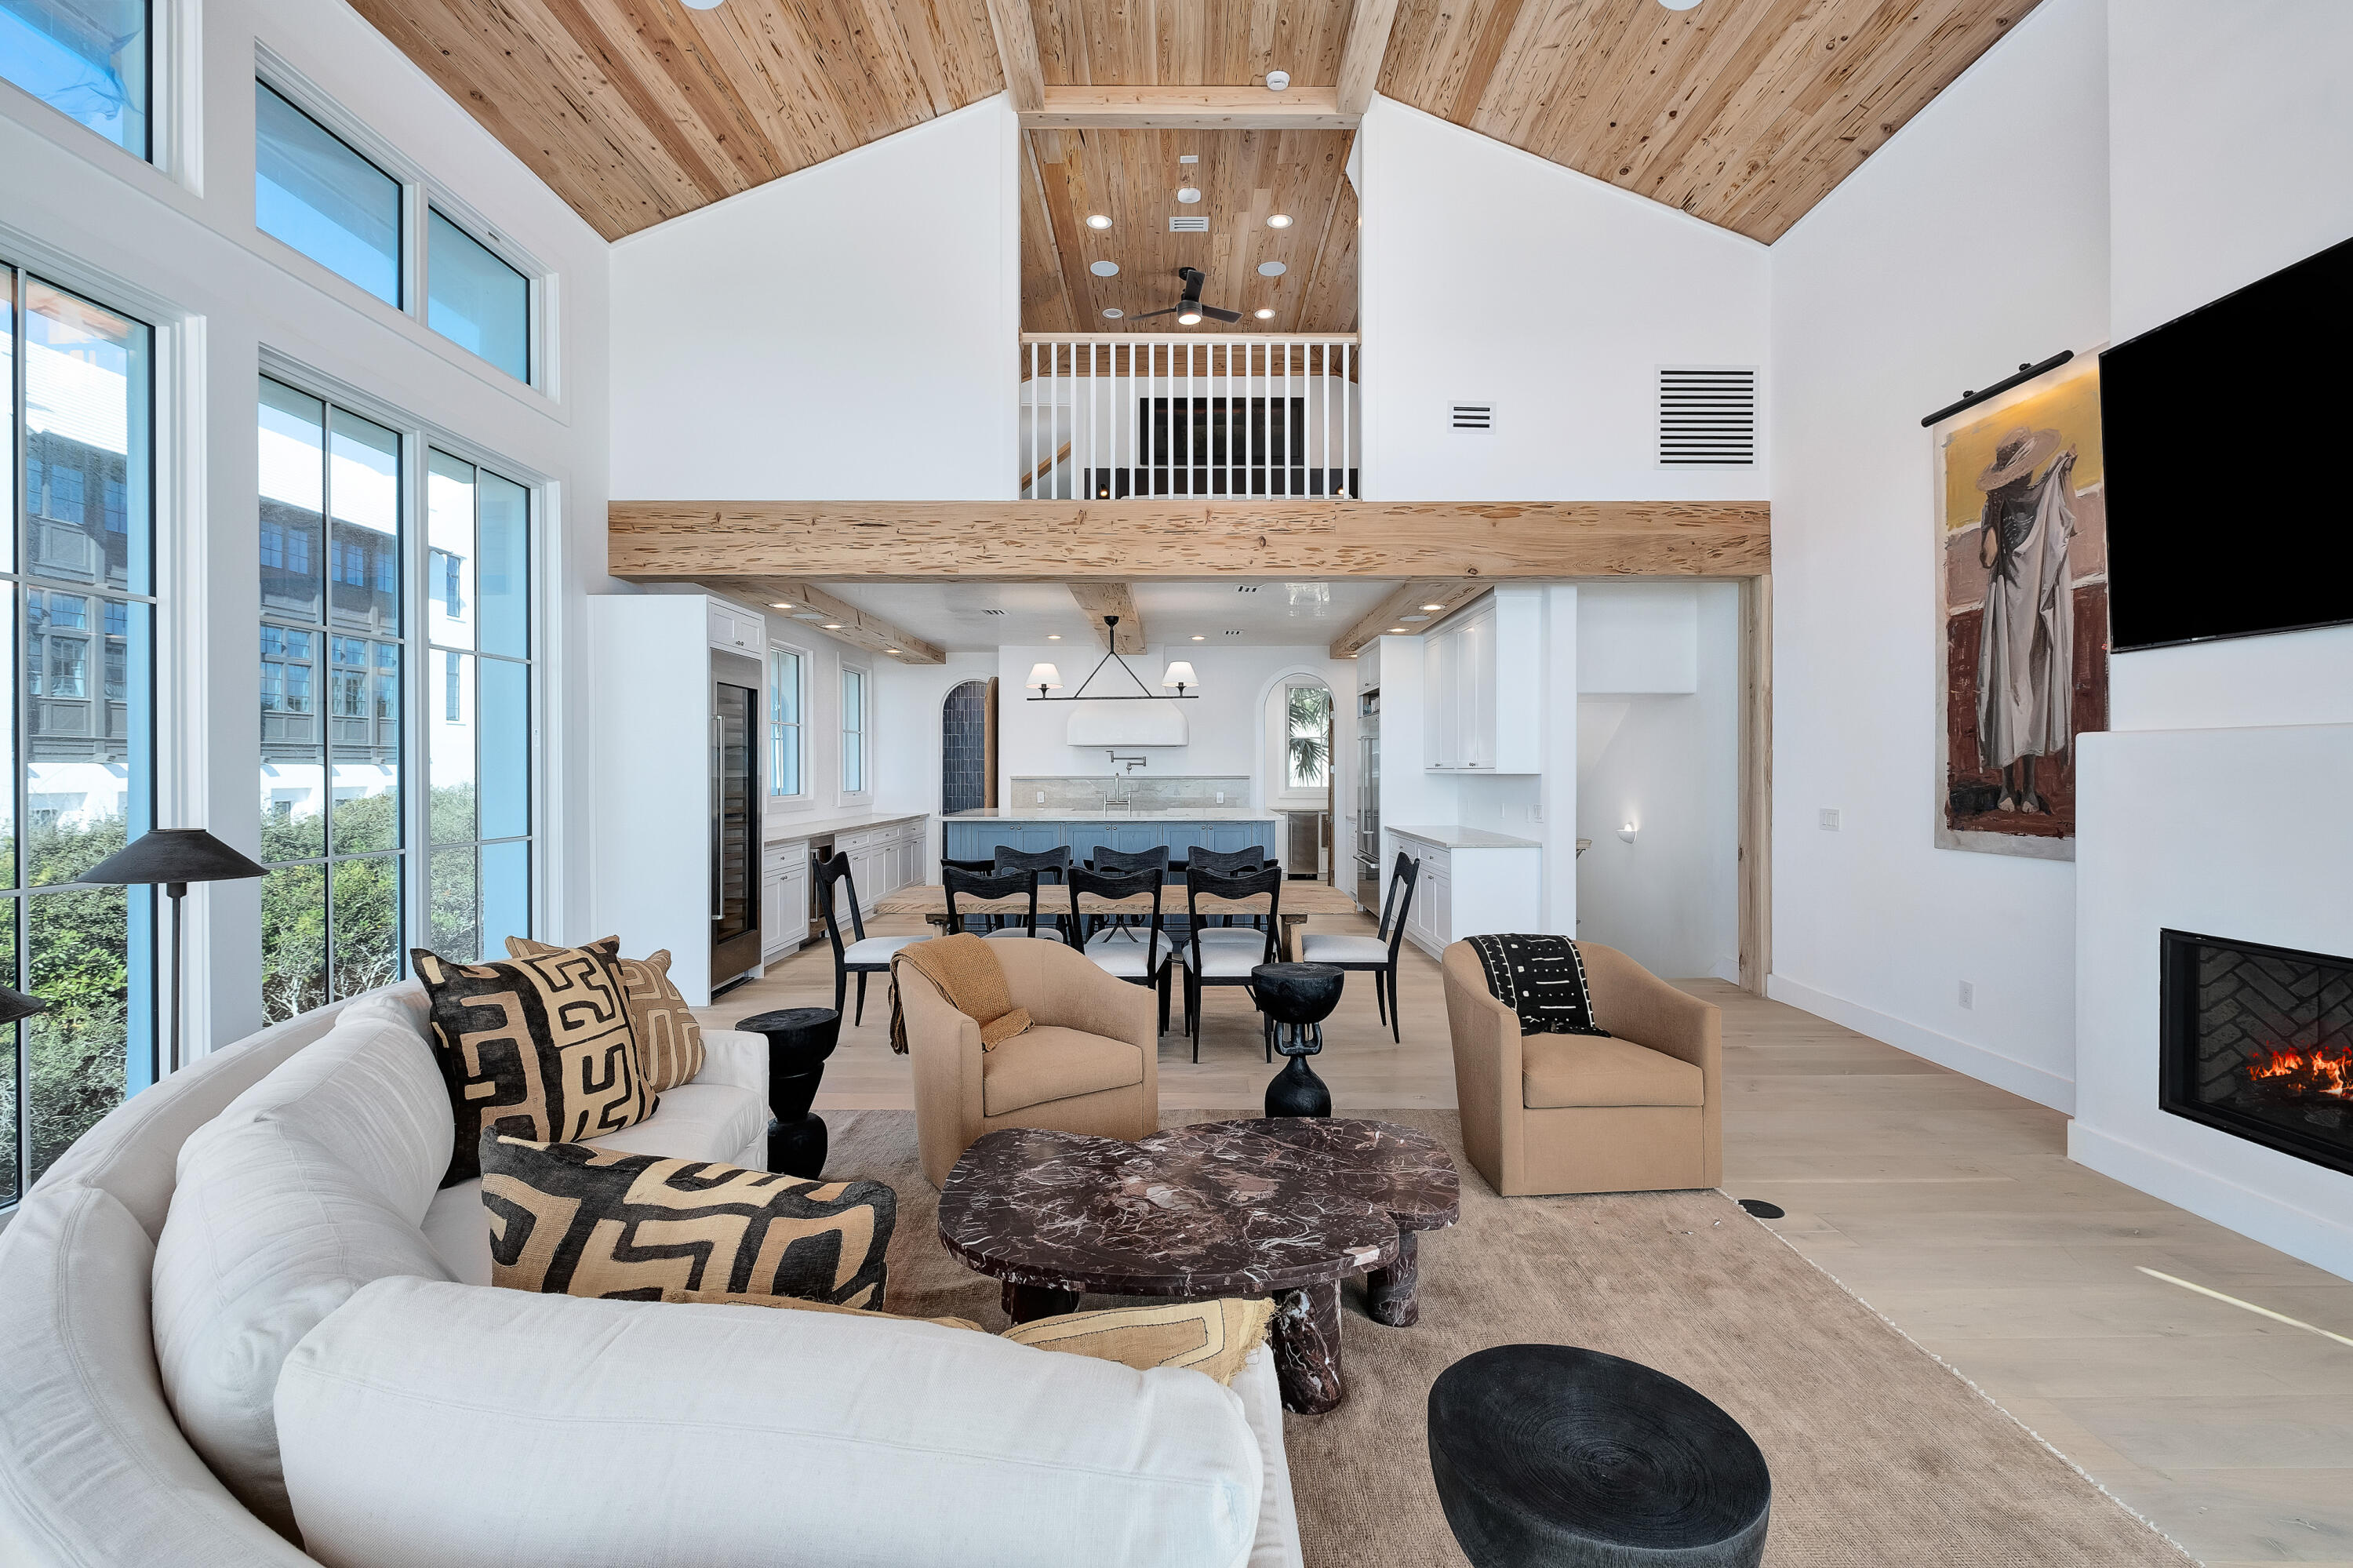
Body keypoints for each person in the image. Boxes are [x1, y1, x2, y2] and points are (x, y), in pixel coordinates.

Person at [1973, 425, 2078, 814]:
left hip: (2037, 604)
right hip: (2006, 603)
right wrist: (1996, 513)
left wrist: (2064, 475)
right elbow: (1987, 558)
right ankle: (2006, 784)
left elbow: (2069, 528)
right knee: (2006, 685)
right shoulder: (1995, 504)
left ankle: (2030, 787)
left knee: (2033, 684)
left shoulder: (2046, 493)